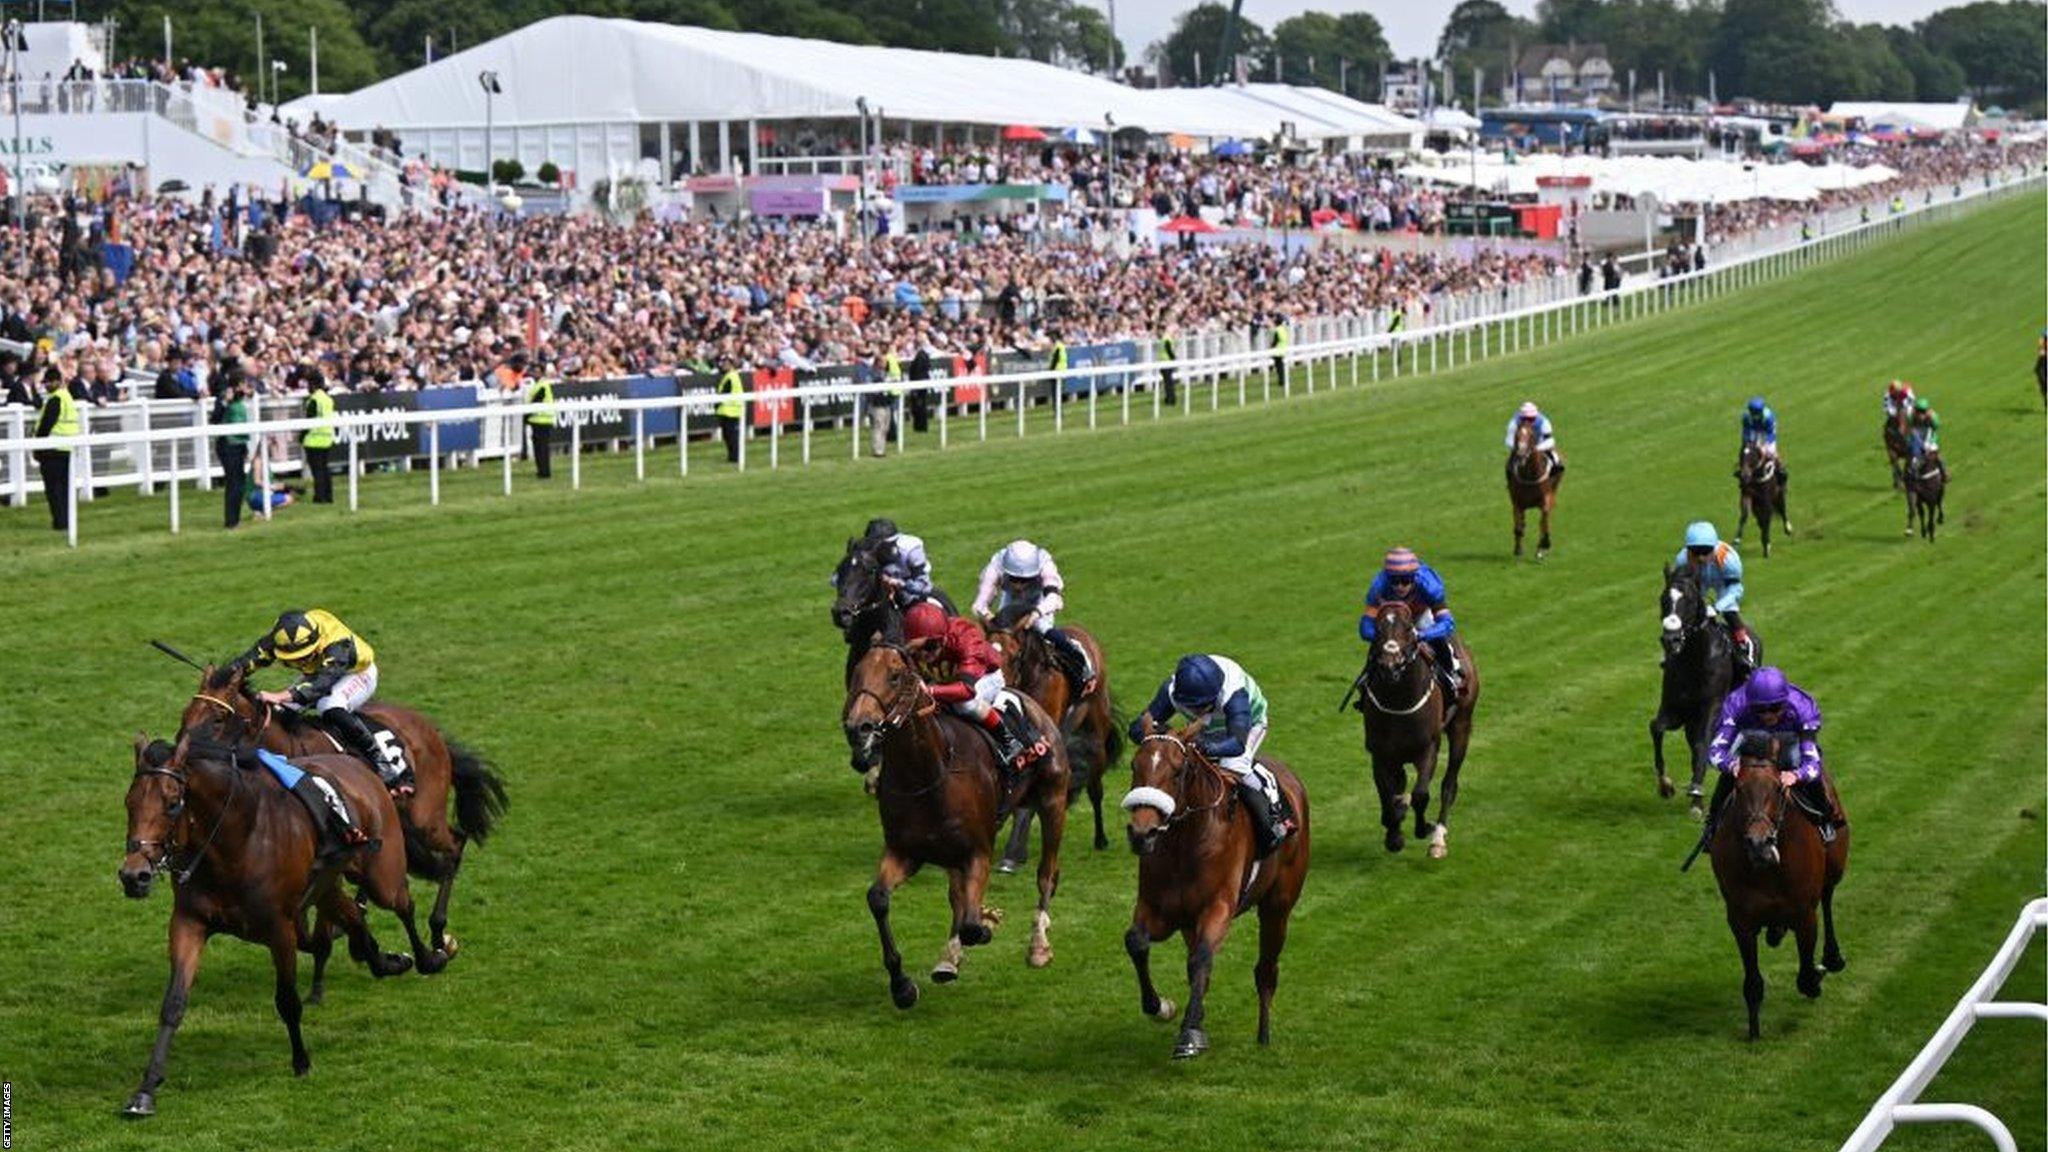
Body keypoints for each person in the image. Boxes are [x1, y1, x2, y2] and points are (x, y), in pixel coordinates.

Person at [230, 609, 414, 795]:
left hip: (356, 673)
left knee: (329, 706)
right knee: (280, 711)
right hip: (320, 673)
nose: (299, 661)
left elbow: (320, 684)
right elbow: (248, 661)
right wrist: (223, 677)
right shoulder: (281, 639)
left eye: (304, 656)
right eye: (294, 659)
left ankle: (382, 762)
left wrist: (281, 695)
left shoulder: (338, 644)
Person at [1127, 654, 1294, 856]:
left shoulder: (1234, 695)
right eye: (1190, 707)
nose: (1194, 711)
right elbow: (1137, 729)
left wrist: (1207, 747)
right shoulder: (1172, 690)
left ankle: (1274, 810)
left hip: (1248, 725)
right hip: (1207, 729)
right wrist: (1163, 733)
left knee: (1234, 767)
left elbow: (1237, 744)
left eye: (1198, 707)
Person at [1704, 666, 1841, 842]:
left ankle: (1825, 816)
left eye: (1775, 708)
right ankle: (1712, 822)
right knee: (1729, 776)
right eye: (1760, 709)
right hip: (1750, 736)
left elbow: (1812, 763)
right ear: (1750, 704)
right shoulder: (1735, 705)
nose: (1768, 715)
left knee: (1812, 777)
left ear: (1785, 702)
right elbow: (1715, 751)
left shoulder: (1803, 708)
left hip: (1789, 738)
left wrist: (1796, 775)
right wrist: (1731, 765)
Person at [903, 602, 1039, 770]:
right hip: (949, 679)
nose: (924, 655)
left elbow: (967, 690)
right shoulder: (920, 645)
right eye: (916, 650)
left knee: (964, 704)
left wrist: (930, 690)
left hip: (986, 676)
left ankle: (1009, 740)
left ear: (944, 637)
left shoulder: (966, 638)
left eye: (930, 646)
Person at [971, 539, 1094, 695]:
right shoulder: (995, 567)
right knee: (997, 639)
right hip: (1010, 601)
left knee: (1043, 629)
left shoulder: (1045, 565)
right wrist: (991, 618)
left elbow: (1053, 599)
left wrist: (1036, 614)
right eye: (1014, 579)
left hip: (1039, 601)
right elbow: (979, 605)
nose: (1019, 586)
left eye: (1025, 580)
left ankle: (1080, 662)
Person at [1358, 547, 1464, 693]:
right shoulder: (1378, 587)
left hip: (1420, 616)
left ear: (1414, 578)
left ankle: (1452, 673)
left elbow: (1447, 623)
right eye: (1394, 581)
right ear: (1388, 578)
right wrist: (1384, 637)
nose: (1400, 586)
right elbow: (1365, 627)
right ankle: (1366, 682)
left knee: (1439, 641)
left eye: (1405, 581)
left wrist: (1421, 635)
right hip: (1393, 619)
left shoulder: (1430, 586)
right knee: (1378, 648)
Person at [1675, 521, 1756, 672]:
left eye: (1705, 552)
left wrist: (1717, 607)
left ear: (1714, 548)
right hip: (1698, 581)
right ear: (1688, 550)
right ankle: (1675, 646)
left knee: (1729, 611)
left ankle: (1744, 647)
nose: (1700, 558)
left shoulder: (1728, 559)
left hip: (1722, 581)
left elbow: (1736, 589)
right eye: (1695, 552)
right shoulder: (1682, 561)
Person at [32, 364, 78, 531]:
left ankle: (60, 522)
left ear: (57, 382)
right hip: (66, 448)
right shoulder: (67, 398)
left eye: (48, 383)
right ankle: (66, 520)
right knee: (64, 488)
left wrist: (37, 446)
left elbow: (46, 425)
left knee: (54, 489)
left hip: (52, 449)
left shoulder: (56, 399)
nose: (46, 386)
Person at [861, 517, 936, 609]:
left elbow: (924, 587)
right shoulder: (867, 553)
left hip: (912, 597)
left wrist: (898, 583)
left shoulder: (910, 551)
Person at [214, 377, 251, 530]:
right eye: (243, 384)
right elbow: (215, 419)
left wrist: (245, 448)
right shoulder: (223, 399)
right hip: (227, 445)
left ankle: (236, 518)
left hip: (239, 444)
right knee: (233, 483)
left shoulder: (241, 402)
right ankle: (231, 521)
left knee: (240, 483)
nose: (245, 387)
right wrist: (225, 403)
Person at [1738, 395, 1786, 494]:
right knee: (1745, 450)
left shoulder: (1769, 417)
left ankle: (1781, 473)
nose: (1755, 415)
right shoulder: (1746, 417)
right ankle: (1742, 467)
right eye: (1753, 413)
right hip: (1754, 432)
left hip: (1766, 434)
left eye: (1756, 413)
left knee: (1772, 454)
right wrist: (1750, 442)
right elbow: (1746, 431)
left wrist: (1765, 446)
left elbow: (1771, 433)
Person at [300, 371, 335, 503]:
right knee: (325, 469)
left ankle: (319, 496)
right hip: (326, 438)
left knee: (317, 471)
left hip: (313, 439)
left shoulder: (314, 400)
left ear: (313, 384)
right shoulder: (327, 399)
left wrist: (301, 437)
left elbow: (309, 421)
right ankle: (328, 495)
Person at [1504, 400, 1563, 477]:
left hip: (1540, 443)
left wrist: (1536, 448)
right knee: (1510, 464)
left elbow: (1550, 440)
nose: (1527, 421)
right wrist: (1517, 447)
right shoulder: (1514, 422)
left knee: (1555, 457)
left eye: (1531, 419)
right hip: (1520, 445)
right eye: (1524, 419)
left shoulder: (1544, 422)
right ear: (1520, 417)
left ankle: (1556, 469)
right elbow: (1508, 440)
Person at [525, 363, 556, 479]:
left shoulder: (542, 386)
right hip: (539, 420)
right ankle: (542, 471)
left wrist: (526, 416)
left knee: (542, 448)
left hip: (541, 420)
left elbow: (535, 402)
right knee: (540, 448)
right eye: (534, 371)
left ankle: (544, 472)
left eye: (538, 372)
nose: (535, 374)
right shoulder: (539, 385)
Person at [716, 359, 745, 464]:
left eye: (726, 364)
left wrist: (716, 404)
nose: (723, 366)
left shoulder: (730, 377)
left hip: (729, 410)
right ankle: (733, 456)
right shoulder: (733, 376)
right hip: (731, 409)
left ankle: (734, 457)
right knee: (730, 436)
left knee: (730, 436)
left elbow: (724, 393)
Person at [1907, 395, 1944, 478]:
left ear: (1927, 411)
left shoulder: (1933, 416)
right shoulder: (1910, 416)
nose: (1920, 414)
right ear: (1915, 410)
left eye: (1923, 411)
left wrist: (1930, 442)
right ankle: (1911, 474)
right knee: (1912, 452)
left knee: (1935, 452)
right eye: (1918, 411)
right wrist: (1918, 442)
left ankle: (1943, 471)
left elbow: (1935, 428)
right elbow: (1911, 430)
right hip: (1916, 435)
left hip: (1929, 434)